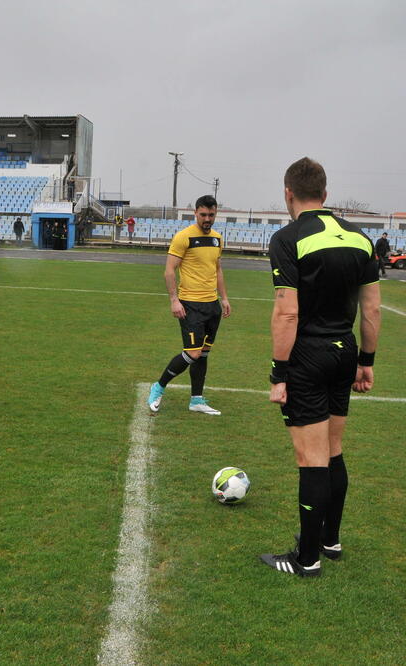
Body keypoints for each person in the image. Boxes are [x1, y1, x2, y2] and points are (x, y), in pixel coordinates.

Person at [259, 157, 381, 578]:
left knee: (311, 458)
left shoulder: (288, 238)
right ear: (326, 195)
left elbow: (286, 313)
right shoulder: (361, 238)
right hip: (345, 351)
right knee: (332, 451)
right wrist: (366, 361)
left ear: (287, 193)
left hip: (308, 357)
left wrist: (279, 373)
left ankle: (306, 558)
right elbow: (372, 309)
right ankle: (330, 540)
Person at [147, 195, 231, 415]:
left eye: (211, 215)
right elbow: (169, 270)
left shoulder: (217, 239)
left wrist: (224, 298)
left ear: (215, 214)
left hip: (212, 305)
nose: (207, 219)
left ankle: (196, 400)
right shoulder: (183, 237)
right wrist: (174, 299)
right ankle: (159, 386)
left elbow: (218, 270)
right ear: (195, 213)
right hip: (190, 304)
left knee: (203, 353)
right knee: (192, 353)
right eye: (203, 214)